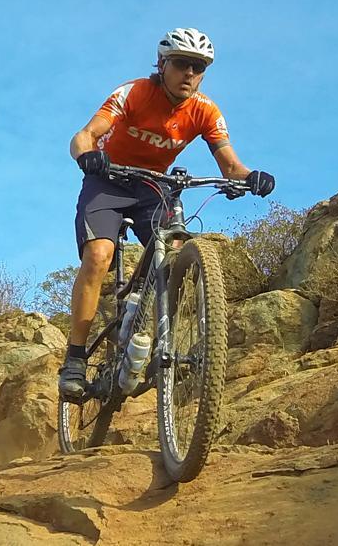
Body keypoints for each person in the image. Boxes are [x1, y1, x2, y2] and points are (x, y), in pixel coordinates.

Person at [59, 27, 275, 398]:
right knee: (99, 255)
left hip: (152, 186)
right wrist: (88, 156)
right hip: (108, 180)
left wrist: (249, 178)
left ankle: (153, 334)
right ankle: (75, 359)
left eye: (198, 67)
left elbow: (230, 166)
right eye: (181, 64)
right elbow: (83, 136)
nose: (189, 73)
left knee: (174, 254)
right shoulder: (135, 93)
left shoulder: (204, 110)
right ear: (162, 64)